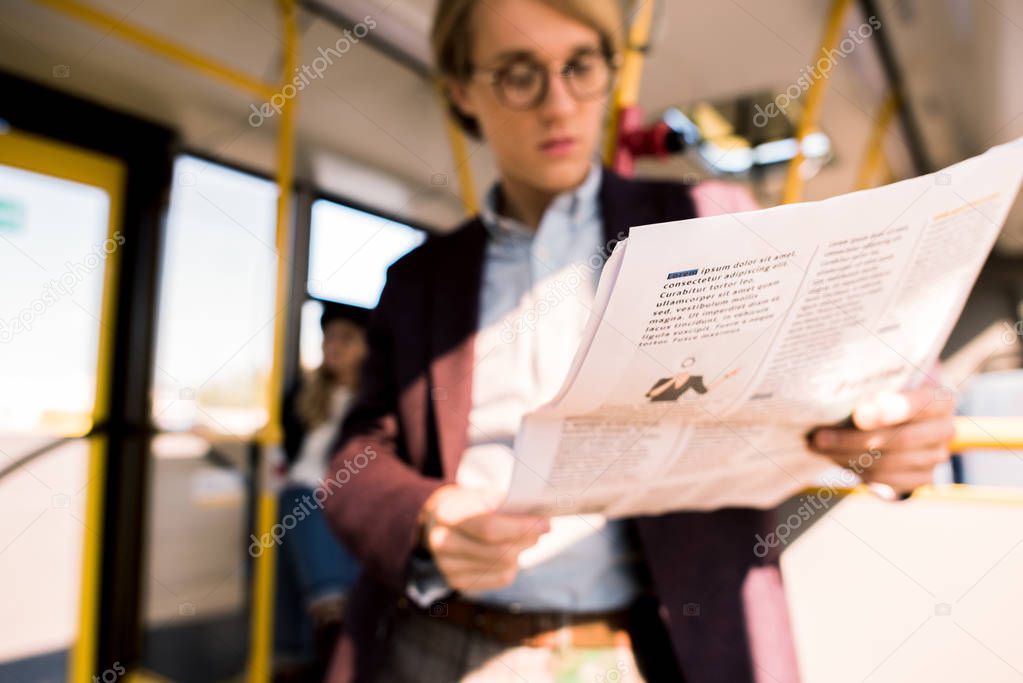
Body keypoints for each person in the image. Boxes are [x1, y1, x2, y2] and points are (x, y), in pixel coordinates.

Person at [322, 1, 957, 681]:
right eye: (517, 73)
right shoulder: (418, 280)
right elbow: (354, 456)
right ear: (460, 88)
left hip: (648, 652)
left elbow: (847, 355)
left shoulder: (707, 221)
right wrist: (425, 518)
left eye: (580, 66)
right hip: (433, 642)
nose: (557, 103)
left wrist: (898, 424)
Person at [274, 302, 367, 682]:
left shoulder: (376, 402)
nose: (333, 346)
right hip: (303, 496)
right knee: (302, 503)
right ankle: (330, 623)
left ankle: (322, 633)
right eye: (329, 337)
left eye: (346, 338)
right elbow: (286, 458)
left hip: (346, 501)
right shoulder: (302, 395)